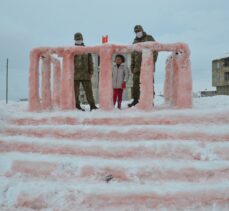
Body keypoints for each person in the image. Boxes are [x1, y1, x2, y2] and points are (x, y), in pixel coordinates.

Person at [128, 25, 158, 107]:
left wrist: (152, 62)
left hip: (147, 67)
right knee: (135, 84)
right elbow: (133, 54)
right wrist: (132, 66)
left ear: (142, 30)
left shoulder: (149, 38)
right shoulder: (134, 41)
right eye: (136, 32)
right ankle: (135, 100)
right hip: (137, 68)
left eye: (138, 31)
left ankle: (150, 100)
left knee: (149, 84)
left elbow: (155, 50)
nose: (137, 33)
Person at [74, 32, 98, 111]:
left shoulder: (87, 50)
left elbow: (90, 61)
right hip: (75, 75)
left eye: (79, 39)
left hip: (85, 74)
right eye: (77, 39)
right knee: (75, 92)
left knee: (89, 91)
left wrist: (91, 71)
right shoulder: (72, 50)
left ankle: (92, 105)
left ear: (82, 39)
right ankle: (76, 105)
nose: (78, 40)